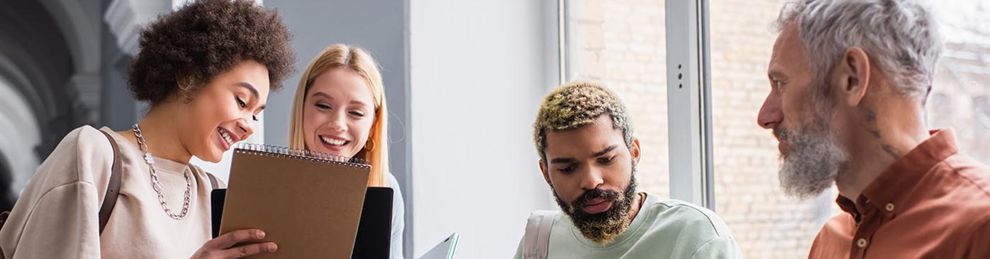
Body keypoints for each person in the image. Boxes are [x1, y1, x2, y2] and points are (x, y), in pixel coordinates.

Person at [0, 0, 294, 258]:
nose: (249, 127)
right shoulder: (94, 155)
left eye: (256, 115)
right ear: (189, 76)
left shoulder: (213, 193)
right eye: (242, 101)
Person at [757, 0, 990, 257]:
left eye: (780, 83)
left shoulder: (981, 227)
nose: (765, 117)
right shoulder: (829, 242)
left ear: (853, 78)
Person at [514, 81, 741, 258]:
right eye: (568, 168)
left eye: (606, 159)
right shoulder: (539, 243)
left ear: (634, 152)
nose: (592, 181)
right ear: (546, 173)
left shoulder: (697, 237)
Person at [287, 44, 405, 259]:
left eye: (356, 113)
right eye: (323, 106)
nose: (338, 124)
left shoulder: (386, 189)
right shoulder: (267, 185)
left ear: (373, 125)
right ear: (301, 109)